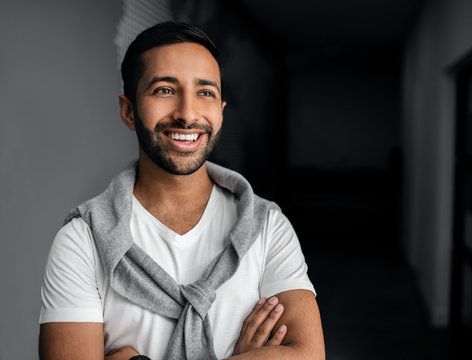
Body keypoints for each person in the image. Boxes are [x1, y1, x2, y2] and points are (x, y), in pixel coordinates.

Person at [38, 22, 325, 360]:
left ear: (220, 111)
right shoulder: (83, 240)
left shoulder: (267, 227)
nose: (187, 114)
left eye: (205, 92)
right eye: (164, 90)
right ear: (129, 111)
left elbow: (308, 354)